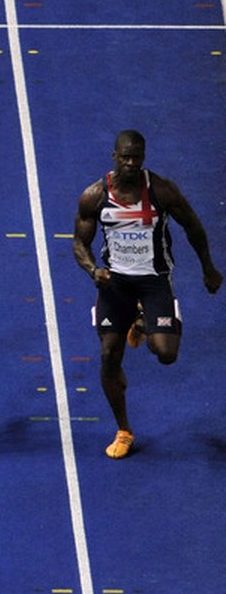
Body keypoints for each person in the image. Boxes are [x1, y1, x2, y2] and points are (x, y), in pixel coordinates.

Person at [72, 129, 221, 459]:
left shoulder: (161, 191)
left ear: (143, 158)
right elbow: (79, 243)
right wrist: (92, 269)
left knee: (166, 354)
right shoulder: (95, 196)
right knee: (110, 355)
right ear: (114, 157)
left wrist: (208, 268)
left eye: (136, 157)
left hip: (154, 281)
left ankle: (144, 322)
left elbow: (192, 225)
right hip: (115, 284)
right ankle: (124, 429)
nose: (130, 163)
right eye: (124, 157)